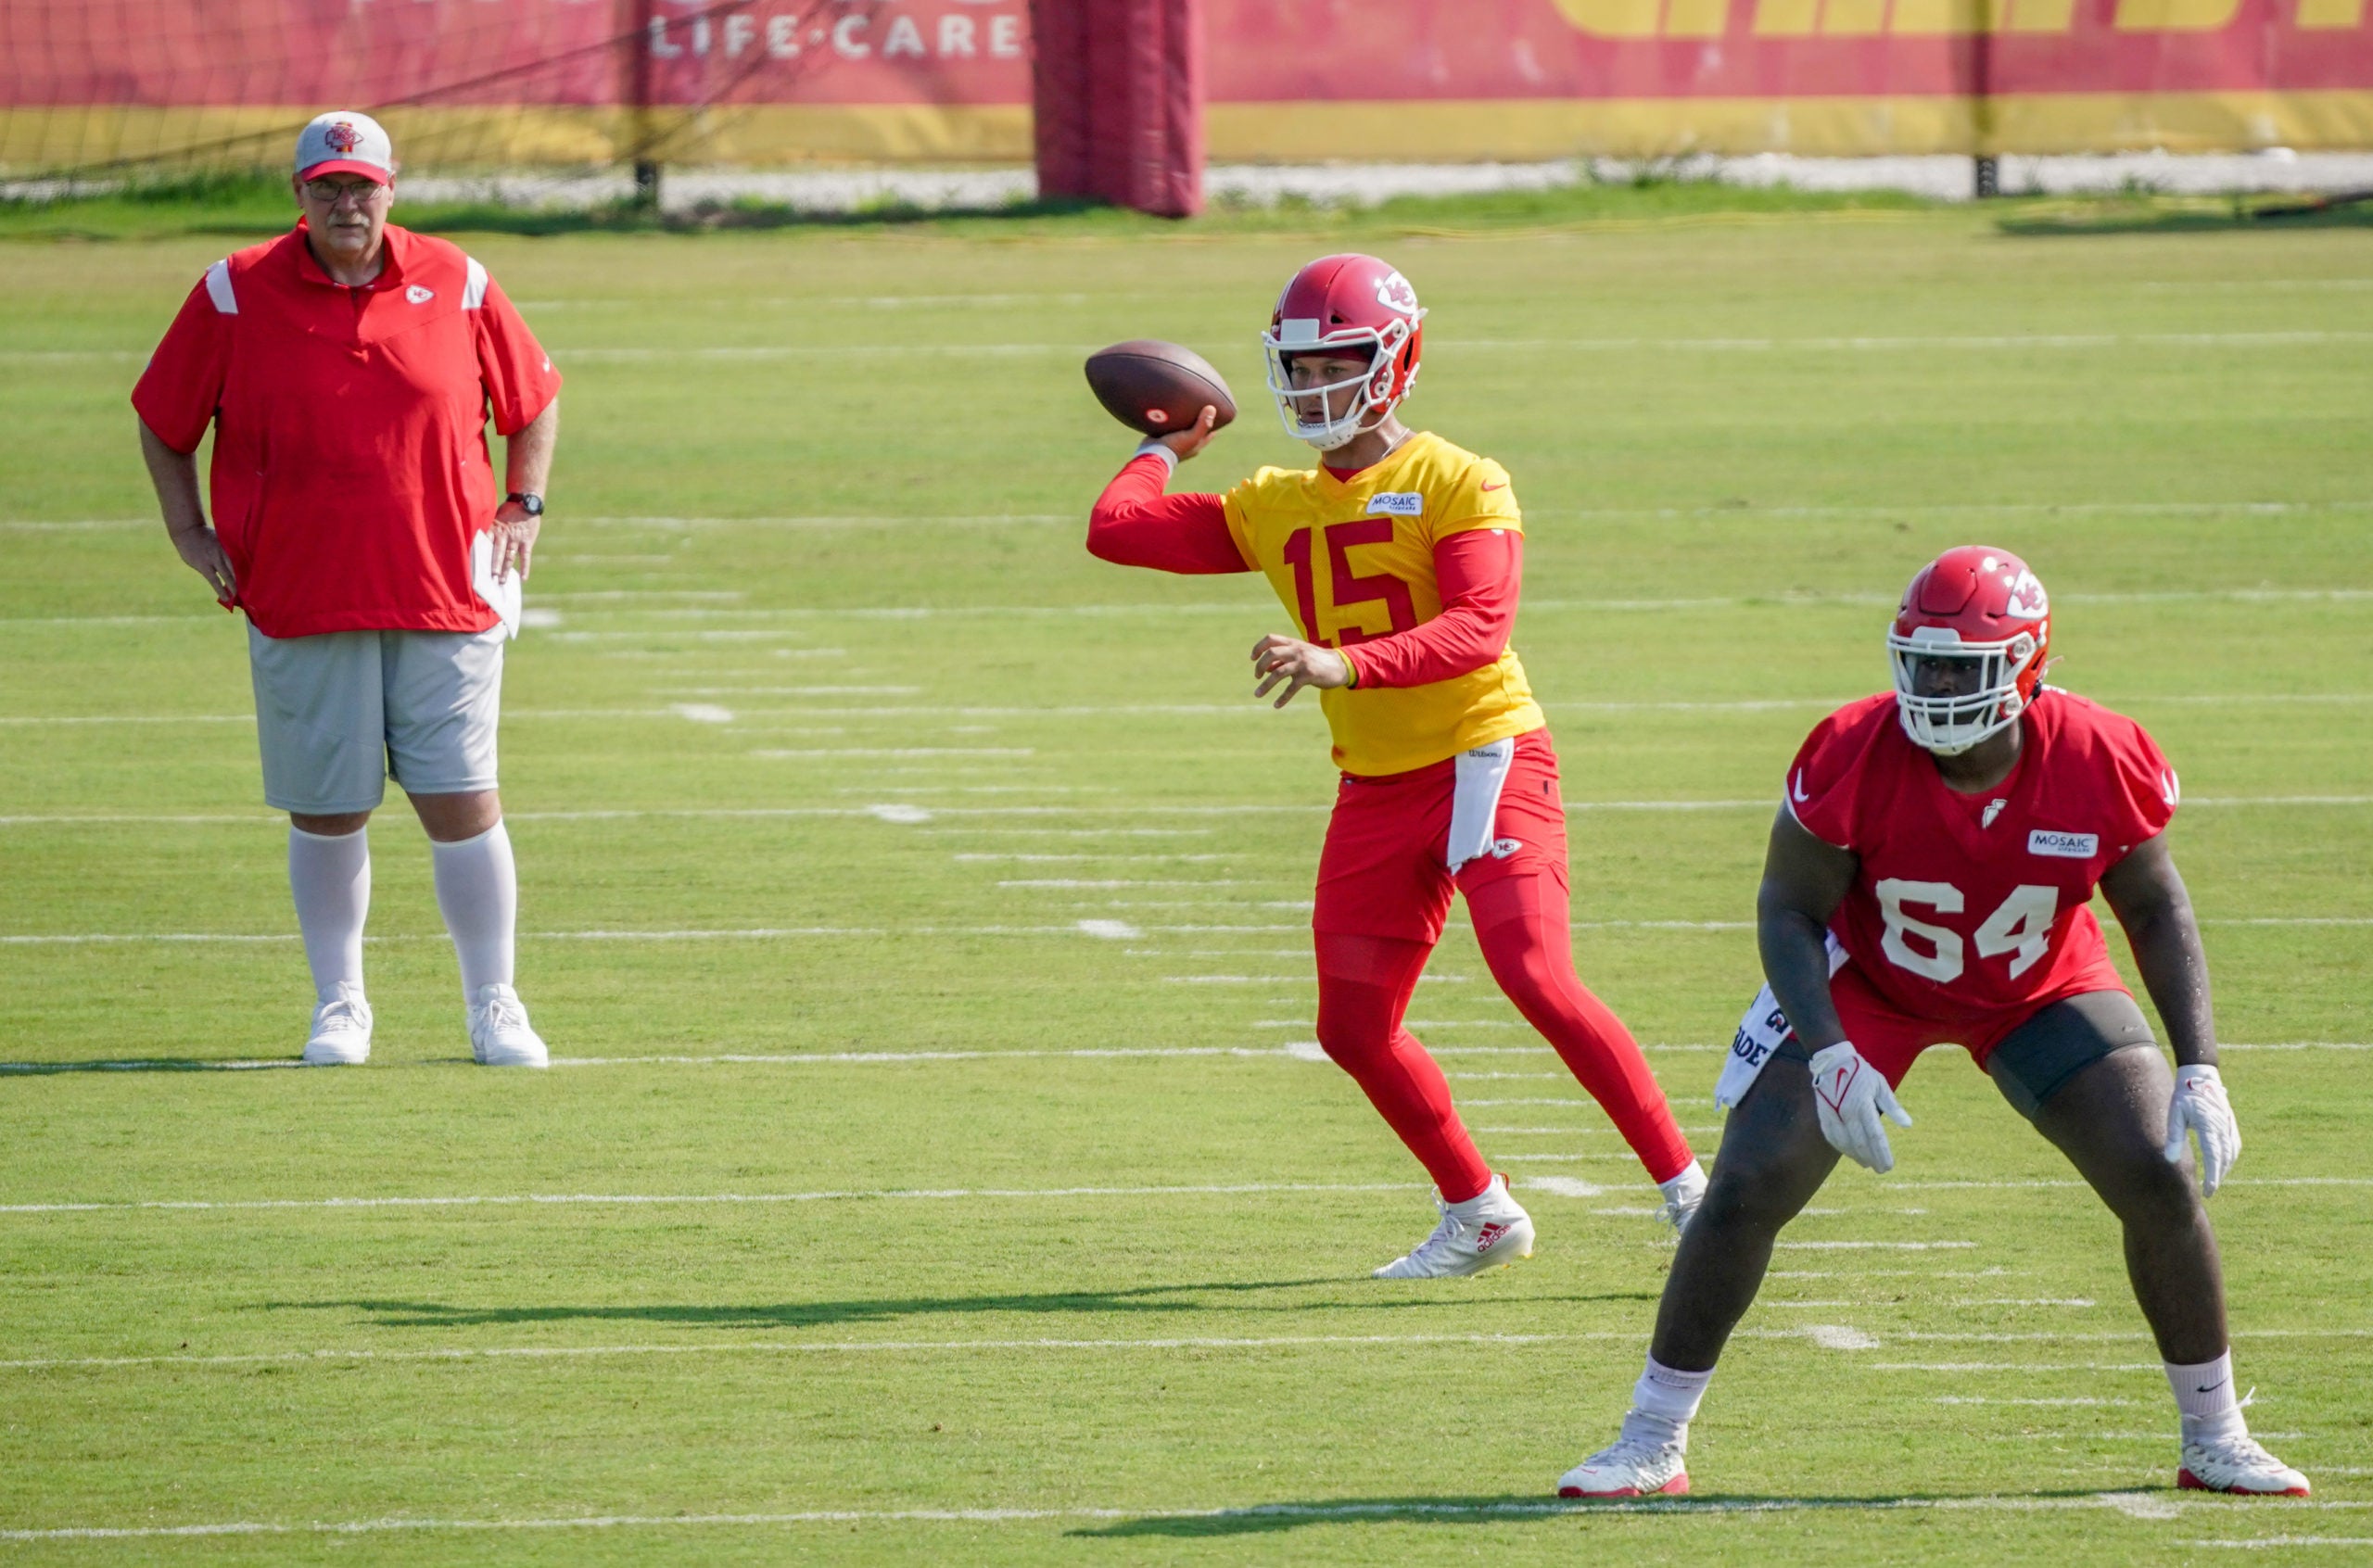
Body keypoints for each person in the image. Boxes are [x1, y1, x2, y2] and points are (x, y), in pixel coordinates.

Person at [1556, 546, 2308, 1498]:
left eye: (1965, 664)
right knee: (1745, 1183)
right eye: (1925, 660)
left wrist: (2199, 1065)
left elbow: (2155, 909)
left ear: (2029, 665)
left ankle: (2217, 1435)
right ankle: (1649, 1437)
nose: (1939, 683)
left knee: (2157, 1175)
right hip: (1873, 980)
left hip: (2040, 985)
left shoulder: (2097, 751)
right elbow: (1788, 908)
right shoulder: (1850, 748)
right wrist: (1828, 1052)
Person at [1085, 253, 1706, 1279]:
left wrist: (1342, 661)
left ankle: (1691, 1189)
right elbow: (1115, 533)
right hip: (1376, 782)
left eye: (1339, 364)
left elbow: (1477, 628)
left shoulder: (1461, 477)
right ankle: (1480, 1210)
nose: (1315, 387)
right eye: (1298, 367)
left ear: (1397, 360)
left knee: (1537, 975)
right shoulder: (1276, 499)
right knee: (1354, 1026)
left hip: (1486, 756)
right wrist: (1165, 444)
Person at [131, 110, 563, 1069]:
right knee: (327, 808)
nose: (345, 203)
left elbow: (532, 398)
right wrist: (187, 528)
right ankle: (341, 1006)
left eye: (361, 186)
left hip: (447, 584)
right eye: (326, 187)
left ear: (390, 188)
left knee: (462, 798)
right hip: (298, 586)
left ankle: (496, 1002)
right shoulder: (235, 290)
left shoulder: (457, 279)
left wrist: (523, 504)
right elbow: (164, 419)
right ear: (299, 195)